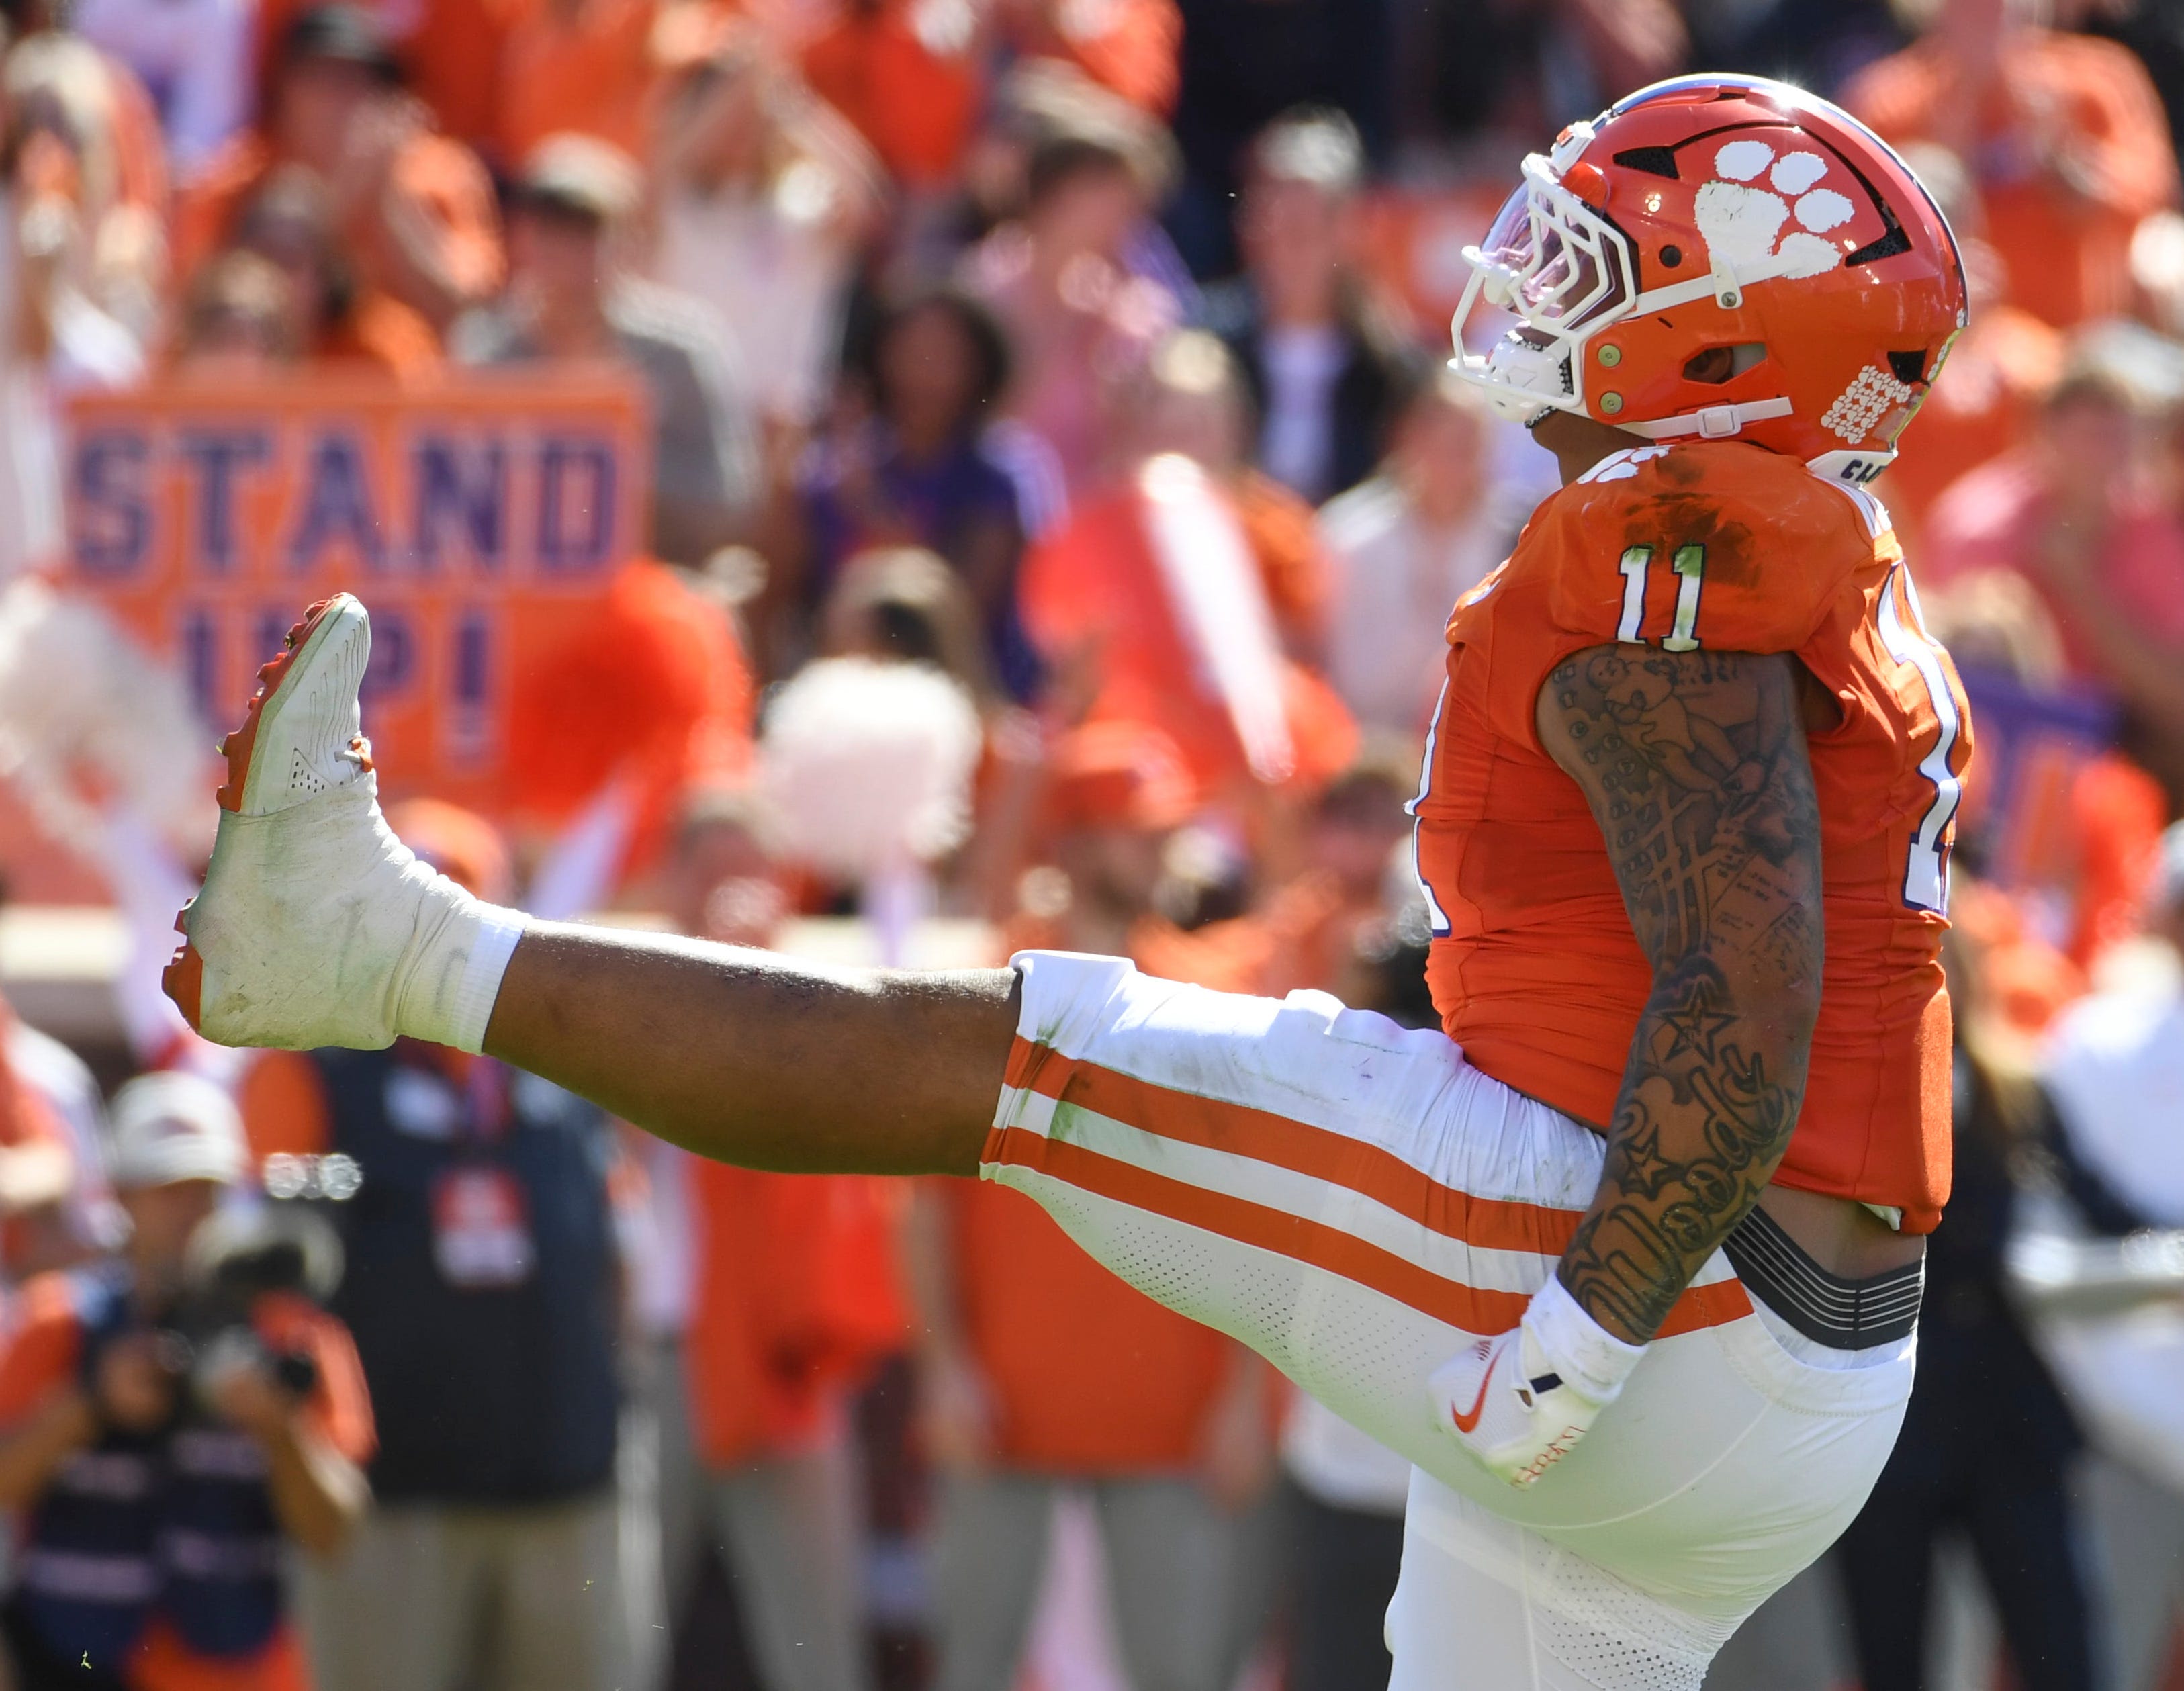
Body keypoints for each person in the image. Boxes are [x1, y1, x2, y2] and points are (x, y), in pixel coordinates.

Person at [166, 73, 1974, 1690]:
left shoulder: (1668, 541)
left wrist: (1578, 1329)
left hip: (1671, 1292)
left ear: (1729, 346)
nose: (1537, 271)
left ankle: (376, 944)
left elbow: (1746, 998)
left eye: (1604, 259)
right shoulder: (1795, 553)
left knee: (1026, 1051)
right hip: (1791, 1361)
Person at [907, 725, 1275, 1691]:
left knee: (1182, 1674)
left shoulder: (1216, 993)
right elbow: (925, 1205)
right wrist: (944, 1369)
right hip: (1004, 1401)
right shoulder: (990, 993)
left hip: (1171, 1411)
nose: (1163, 852)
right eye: (1135, 830)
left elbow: (1253, 1214)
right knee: (972, 1665)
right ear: (1070, 842)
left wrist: (1246, 1397)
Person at [234, 803, 630, 1691]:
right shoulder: (308, 1066)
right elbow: (274, 1290)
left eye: (450, 911)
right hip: (394, 1509)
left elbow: (613, 1256)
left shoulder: (558, 1063)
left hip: (560, 1492)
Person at [0, 1072, 372, 1691]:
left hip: (235, 1669)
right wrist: (92, 1404)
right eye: (166, 1190)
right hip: (75, 1661)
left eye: (205, 1190)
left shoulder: (290, 1333)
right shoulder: (60, 1322)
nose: (189, 1212)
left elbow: (335, 1532)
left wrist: (279, 1432)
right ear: (120, 1196)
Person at [453, 132, 762, 570]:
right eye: (551, 231)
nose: (568, 254)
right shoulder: (484, 355)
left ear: (628, 241)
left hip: (657, 580)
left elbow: (728, 503)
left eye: (587, 232)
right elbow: (452, 504)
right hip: (521, 587)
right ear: (523, 240)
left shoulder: (680, 349)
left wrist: (605, 462)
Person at [173, 3, 505, 335]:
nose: (336, 101)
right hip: (269, 381)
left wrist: (388, 207)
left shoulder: (440, 175)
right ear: (282, 92)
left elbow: (471, 319)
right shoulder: (237, 181)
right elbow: (199, 313)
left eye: (355, 81)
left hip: (399, 377)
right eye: (318, 79)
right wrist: (340, 205)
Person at [1845, 0, 2177, 330]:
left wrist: (2070, 164)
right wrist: (1948, 142)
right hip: (1955, 341)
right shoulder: (1891, 101)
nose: (1991, 12)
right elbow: (1853, 234)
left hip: (2083, 343)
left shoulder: (2093, 81)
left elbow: (2155, 192)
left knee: (2163, 259)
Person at [1205, 107, 1412, 505]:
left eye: (1307, 227)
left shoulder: (1393, 369)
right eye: (1271, 222)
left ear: (1351, 230)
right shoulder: (1206, 346)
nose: (1285, 246)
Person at [1314, 371, 1537, 737]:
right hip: (1361, 749)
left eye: (1467, 442)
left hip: (1477, 746)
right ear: (1406, 437)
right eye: (1439, 438)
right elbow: (1319, 659)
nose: (1452, 457)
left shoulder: (1522, 540)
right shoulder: (1347, 536)